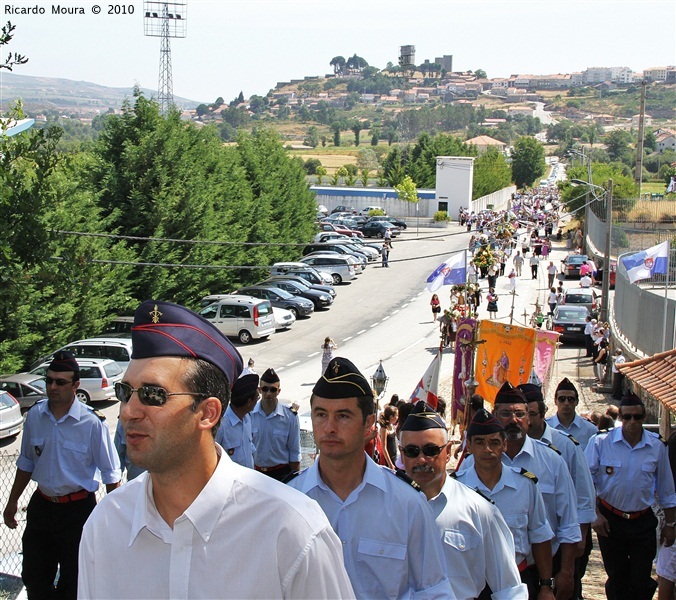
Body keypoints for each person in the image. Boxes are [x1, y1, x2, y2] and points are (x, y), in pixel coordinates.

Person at [77, 300, 355, 599]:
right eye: (125, 392)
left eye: (152, 394)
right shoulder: (106, 524)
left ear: (207, 413)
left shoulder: (290, 530)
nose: (128, 411)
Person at [288, 357, 451, 598]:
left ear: (369, 424)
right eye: (321, 414)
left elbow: (434, 591)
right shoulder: (290, 500)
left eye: (343, 416)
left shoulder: (407, 504)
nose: (329, 427)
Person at [3, 351, 121, 600]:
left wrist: (114, 520)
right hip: (42, 508)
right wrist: (12, 501)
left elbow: (111, 474)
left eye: (60, 382)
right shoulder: (35, 416)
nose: (53, 387)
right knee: (35, 577)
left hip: (77, 512)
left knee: (75, 582)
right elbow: (26, 462)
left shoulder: (92, 423)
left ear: (76, 385)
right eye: (49, 380)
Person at [459, 382, 581, 600]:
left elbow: (566, 523)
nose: (513, 420)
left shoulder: (551, 462)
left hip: (526, 573)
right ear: (495, 415)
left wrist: (564, 574)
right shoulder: (467, 469)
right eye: (505, 414)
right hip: (473, 582)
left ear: (528, 417)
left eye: (519, 414)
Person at [400, 402, 526, 599]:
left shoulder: (479, 510)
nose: (421, 459)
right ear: (401, 453)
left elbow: (509, 590)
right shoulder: (385, 509)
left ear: (448, 451)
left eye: (431, 450)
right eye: (412, 451)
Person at [455, 409, 554, 599]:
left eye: (494, 442)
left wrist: (546, 586)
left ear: (505, 445)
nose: (487, 449)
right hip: (469, 586)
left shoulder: (525, 485)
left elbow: (540, 536)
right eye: (480, 443)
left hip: (517, 580)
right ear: (469, 446)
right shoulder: (456, 488)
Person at [585, 393, 676, 600]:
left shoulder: (657, 446)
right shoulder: (601, 442)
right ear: (621, 418)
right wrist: (594, 514)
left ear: (644, 417)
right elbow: (585, 482)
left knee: (641, 579)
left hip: (642, 520)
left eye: (637, 417)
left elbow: (667, 490)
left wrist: (670, 524)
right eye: (627, 417)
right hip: (611, 519)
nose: (632, 422)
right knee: (617, 578)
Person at [520, 383, 597, 600]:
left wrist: (580, 537)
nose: (525, 420)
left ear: (543, 413)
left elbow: (583, 495)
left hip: (558, 546)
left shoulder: (564, 447)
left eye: (531, 414)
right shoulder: (505, 450)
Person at [251, 368, 301, 481]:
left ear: (278, 391)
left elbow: (295, 453)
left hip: (281, 474)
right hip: (255, 474)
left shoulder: (289, 417)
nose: (268, 393)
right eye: (265, 389)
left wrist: (295, 482)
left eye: (273, 390)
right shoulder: (250, 414)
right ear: (259, 390)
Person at [214, 373, 259, 469]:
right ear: (249, 402)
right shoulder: (221, 424)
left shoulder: (247, 418)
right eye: (257, 398)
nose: (257, 402)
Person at [546, 378, 598, 450]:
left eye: (571, 399)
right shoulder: (546, 427)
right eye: (562, 399)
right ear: (555, 401)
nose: (566, 403)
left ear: (577, 402)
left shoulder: (590, 430)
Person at [378, 404, 398, 469]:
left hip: (394, 456)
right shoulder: (384, 429)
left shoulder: (391, 426)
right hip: (388, 458)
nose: (397, 417)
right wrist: (390, 463)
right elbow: (384, 447)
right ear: (392, 417)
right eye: (396, 415)